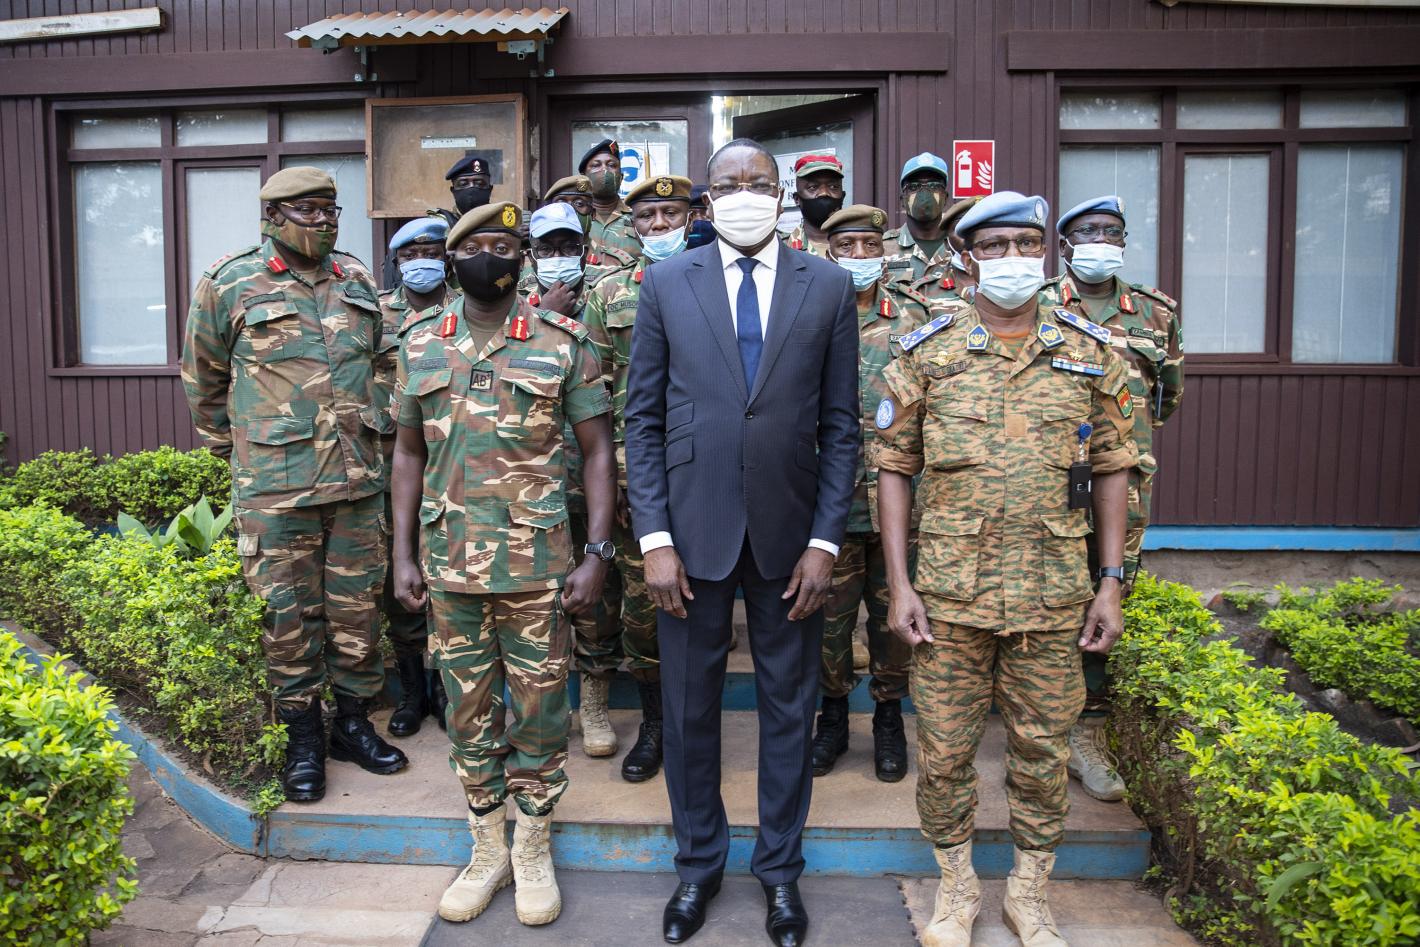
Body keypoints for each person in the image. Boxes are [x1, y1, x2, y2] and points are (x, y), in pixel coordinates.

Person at [874, 191, 1138, 947]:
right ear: (967, 257)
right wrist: (900, 584)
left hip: (1052, 596)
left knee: (1043, 754)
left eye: (1026, 243)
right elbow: (893, 467)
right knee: (944, 754)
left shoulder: (1090, 351)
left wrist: (1110, 582)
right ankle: (956, 887)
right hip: (949, 595)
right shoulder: (928, 352)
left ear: (1045, 252)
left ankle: (1029, 892)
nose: (1013, 258)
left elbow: (1113, 466)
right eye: (995, 246)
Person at [624, 138, 859, 946]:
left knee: (788, 710)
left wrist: (826, 541)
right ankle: (698, 865)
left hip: (792, 539)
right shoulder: (666, 283)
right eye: (730, 184)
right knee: (689, 711)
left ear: (782, 195)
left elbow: (841, 426)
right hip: (690, 537)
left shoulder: (828, 286)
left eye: (761, 182)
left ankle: (780, 871)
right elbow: (642, 422)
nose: (746, 194)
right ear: (707, 201)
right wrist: (654, 537)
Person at [389, 201, 615, 929]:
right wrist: (401, 553)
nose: (492, 255)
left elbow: (598, 451)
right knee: (466, 710)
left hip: (536, 565)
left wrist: (598, 552)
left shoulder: (562, 341)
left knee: (542, 710)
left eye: (506, 245)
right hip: (450, 563)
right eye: (475, 245)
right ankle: (487, 844)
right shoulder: (420, 342)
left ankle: (533, 843)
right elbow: (406, 453)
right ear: (452, 259)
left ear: (523, 258)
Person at [181, 166, 407, 804]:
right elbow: (203, 376)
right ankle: (303, 737)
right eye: (308, 210)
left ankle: (353, 726)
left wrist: (377, 417)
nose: (323, 220)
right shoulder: (229, 283)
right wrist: (239, 448)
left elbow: (387, 357)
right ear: (273, 218)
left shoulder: (355, 277)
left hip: (358, 481)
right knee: (288, 617)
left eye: (330, 210)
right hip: (276, 490)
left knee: (357, 611)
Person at [1046, 195, 1185, 803]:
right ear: (1065, 244)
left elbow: (1166, 398)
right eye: (1088, 231)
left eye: (1111, 231)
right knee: (1049, 590)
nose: (1100, 240)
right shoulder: (1038, 303)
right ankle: (1040, 726)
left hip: (1122, 485)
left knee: (1108, 592)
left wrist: (1124, 449)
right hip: (1049, 480)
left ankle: (1086, 733)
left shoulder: (1155, 313)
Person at [809, 203, 934, 783]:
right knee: (825, 624)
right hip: (824, 505)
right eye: (846, 247)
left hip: (899, 503)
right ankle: (832, 717)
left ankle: (888, 718)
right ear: (828, 252)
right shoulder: (805, 309)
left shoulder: (918, 315)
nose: (859, 256)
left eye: (869, 245)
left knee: (893, 620)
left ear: (885, 251)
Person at [581, 174, 696, 783]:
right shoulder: (608, 293)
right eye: (647, 217)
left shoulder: (717, 280)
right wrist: (620, 480)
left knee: (707, 603)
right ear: (632, 226)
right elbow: (595, 397)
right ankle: (656, 723)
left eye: (670, 214)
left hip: (708, 474)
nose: (659, 226)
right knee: (645, 610)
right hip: (641, 480)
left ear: (691, 218)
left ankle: (693, 727)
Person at [515, 202, 625, 759]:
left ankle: (596, 703)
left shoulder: (609, 295)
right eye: (547, 249)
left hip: (598, 474)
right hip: (530, 479)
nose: (558, 258)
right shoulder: (511, 302)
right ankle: (546, 707)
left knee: (600, 597)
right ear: (531, 254)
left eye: (567, 247)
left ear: (584, 248)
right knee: (536, 599)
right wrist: (543, 315)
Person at [375, 217, 458, 737]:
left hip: (454, 461)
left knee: (451, 577)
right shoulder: (375, 314)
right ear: (396, 262)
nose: (420, 262)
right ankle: (411, 693)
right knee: (400, 577)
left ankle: (448, 688)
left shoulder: (466, 308)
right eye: (410, 255)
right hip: (395, 460)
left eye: (430, 252)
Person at [882, 153, 954, 297]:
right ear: (903, 200)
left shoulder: (959, 247)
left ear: (945, 198)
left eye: (934, 186)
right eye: (914, 186)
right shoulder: (882, 249)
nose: (924, 193)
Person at [544, 174, 637, 269]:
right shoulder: (537, 260)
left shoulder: (616, 263)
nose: (569, 210)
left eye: (579, 204)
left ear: (592, 214)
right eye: (561, 203)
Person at [578, 139, 642, 260]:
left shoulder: (639, 216)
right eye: (596, 165)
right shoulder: (574, 217)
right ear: (583, 178)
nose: (604, 170)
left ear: (621, 178)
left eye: (611, 165)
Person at [784, 153, 845, 256]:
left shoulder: (863, 245)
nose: (824, 193)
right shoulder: (781, 248)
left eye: (833, 186)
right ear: (797, 199)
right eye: (813, 187)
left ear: (842, 196)